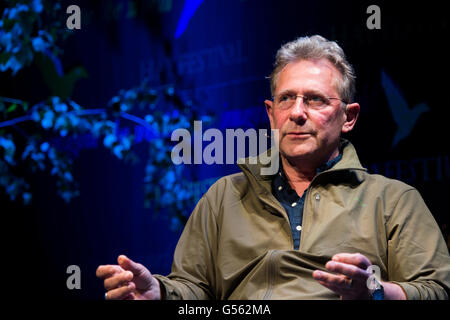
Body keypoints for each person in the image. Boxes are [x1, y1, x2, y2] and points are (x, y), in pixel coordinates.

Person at [96, 35, 450, 300]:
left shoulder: (392, 200)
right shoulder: (224, 196)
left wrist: (373, 289)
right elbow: (193, 291)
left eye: (314, 99)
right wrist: (159, 292)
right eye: (286, 99)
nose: (297, 112)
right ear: (271, 114)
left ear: (348, 117)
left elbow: (435, 290)